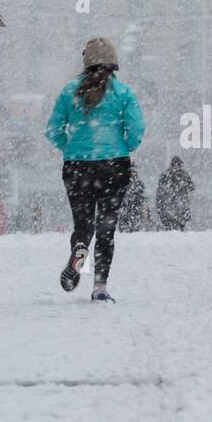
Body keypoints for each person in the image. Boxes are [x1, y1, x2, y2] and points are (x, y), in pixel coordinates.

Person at [45, 37, 145, 301]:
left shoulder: (69, 91)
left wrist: (70, 147)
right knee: (106, 227)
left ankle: (79, 249)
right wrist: (125, 146)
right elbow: (136, 130)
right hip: (114, 165)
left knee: (83, 224)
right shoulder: (123, 93)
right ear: (113, 63)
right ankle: (99, 287)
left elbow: (52, 130)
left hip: (77, 166)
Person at [156, 155, 194, 231]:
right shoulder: (184, 174)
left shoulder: (166, 174)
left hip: (168, 202)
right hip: (181, 201)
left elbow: (160, 187)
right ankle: (180, 229)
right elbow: (192, 187)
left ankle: (171, 230)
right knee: (181, 220)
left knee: (169, 222)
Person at [119, 164, 150, 233]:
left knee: (126, 225)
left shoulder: (123, 181)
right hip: (134, 207)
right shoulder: (138, 183)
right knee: (134, 225)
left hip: (128, 207)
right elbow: (142, 195)